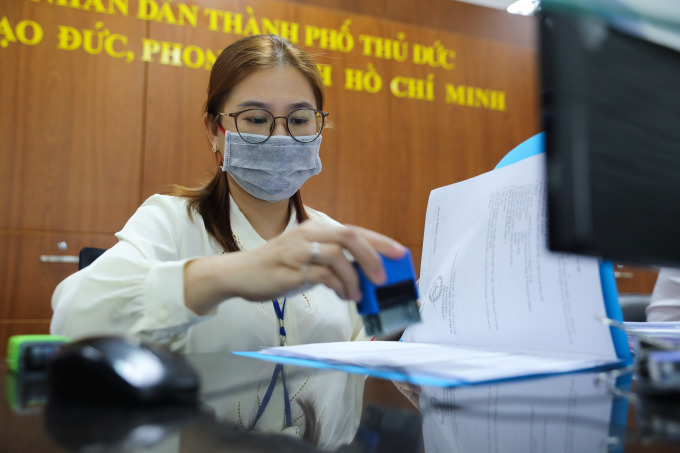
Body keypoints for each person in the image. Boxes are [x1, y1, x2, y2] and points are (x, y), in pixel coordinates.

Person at [51, 34, 406, 352]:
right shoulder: (172, 222)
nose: (281, 138)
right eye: (255, 118)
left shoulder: (332, 238)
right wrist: (229, 274)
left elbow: (361, 359)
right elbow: (71, 320)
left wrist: (403, 323)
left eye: (299, 120)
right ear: (213, 129)